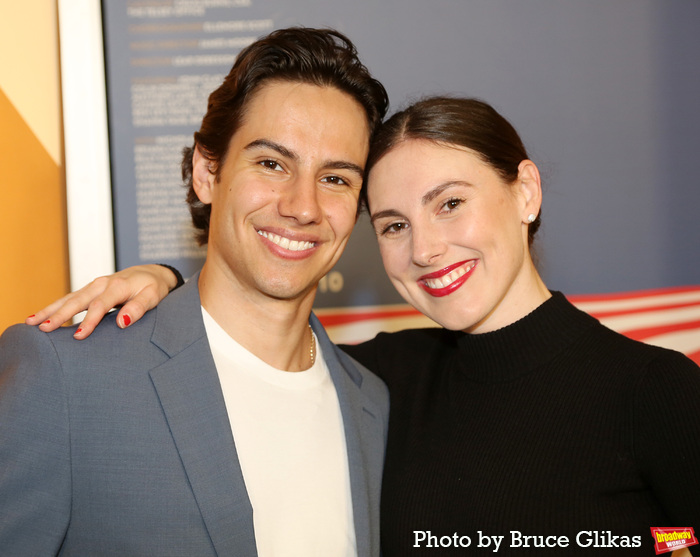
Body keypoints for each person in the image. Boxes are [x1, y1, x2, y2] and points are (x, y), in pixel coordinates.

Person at [24, 98, 700, 556]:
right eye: (396, 226)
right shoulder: (380, 380)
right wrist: (166, 279)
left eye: (451, 204)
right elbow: (251, 334)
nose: (427, 249)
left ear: (525, 191)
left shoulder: (654, 392)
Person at [0, 27, 390, 556]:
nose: (303, 206)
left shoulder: (374, 403)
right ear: (209, 173)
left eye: (336, 179)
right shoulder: (65, 377)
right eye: (272, 164)